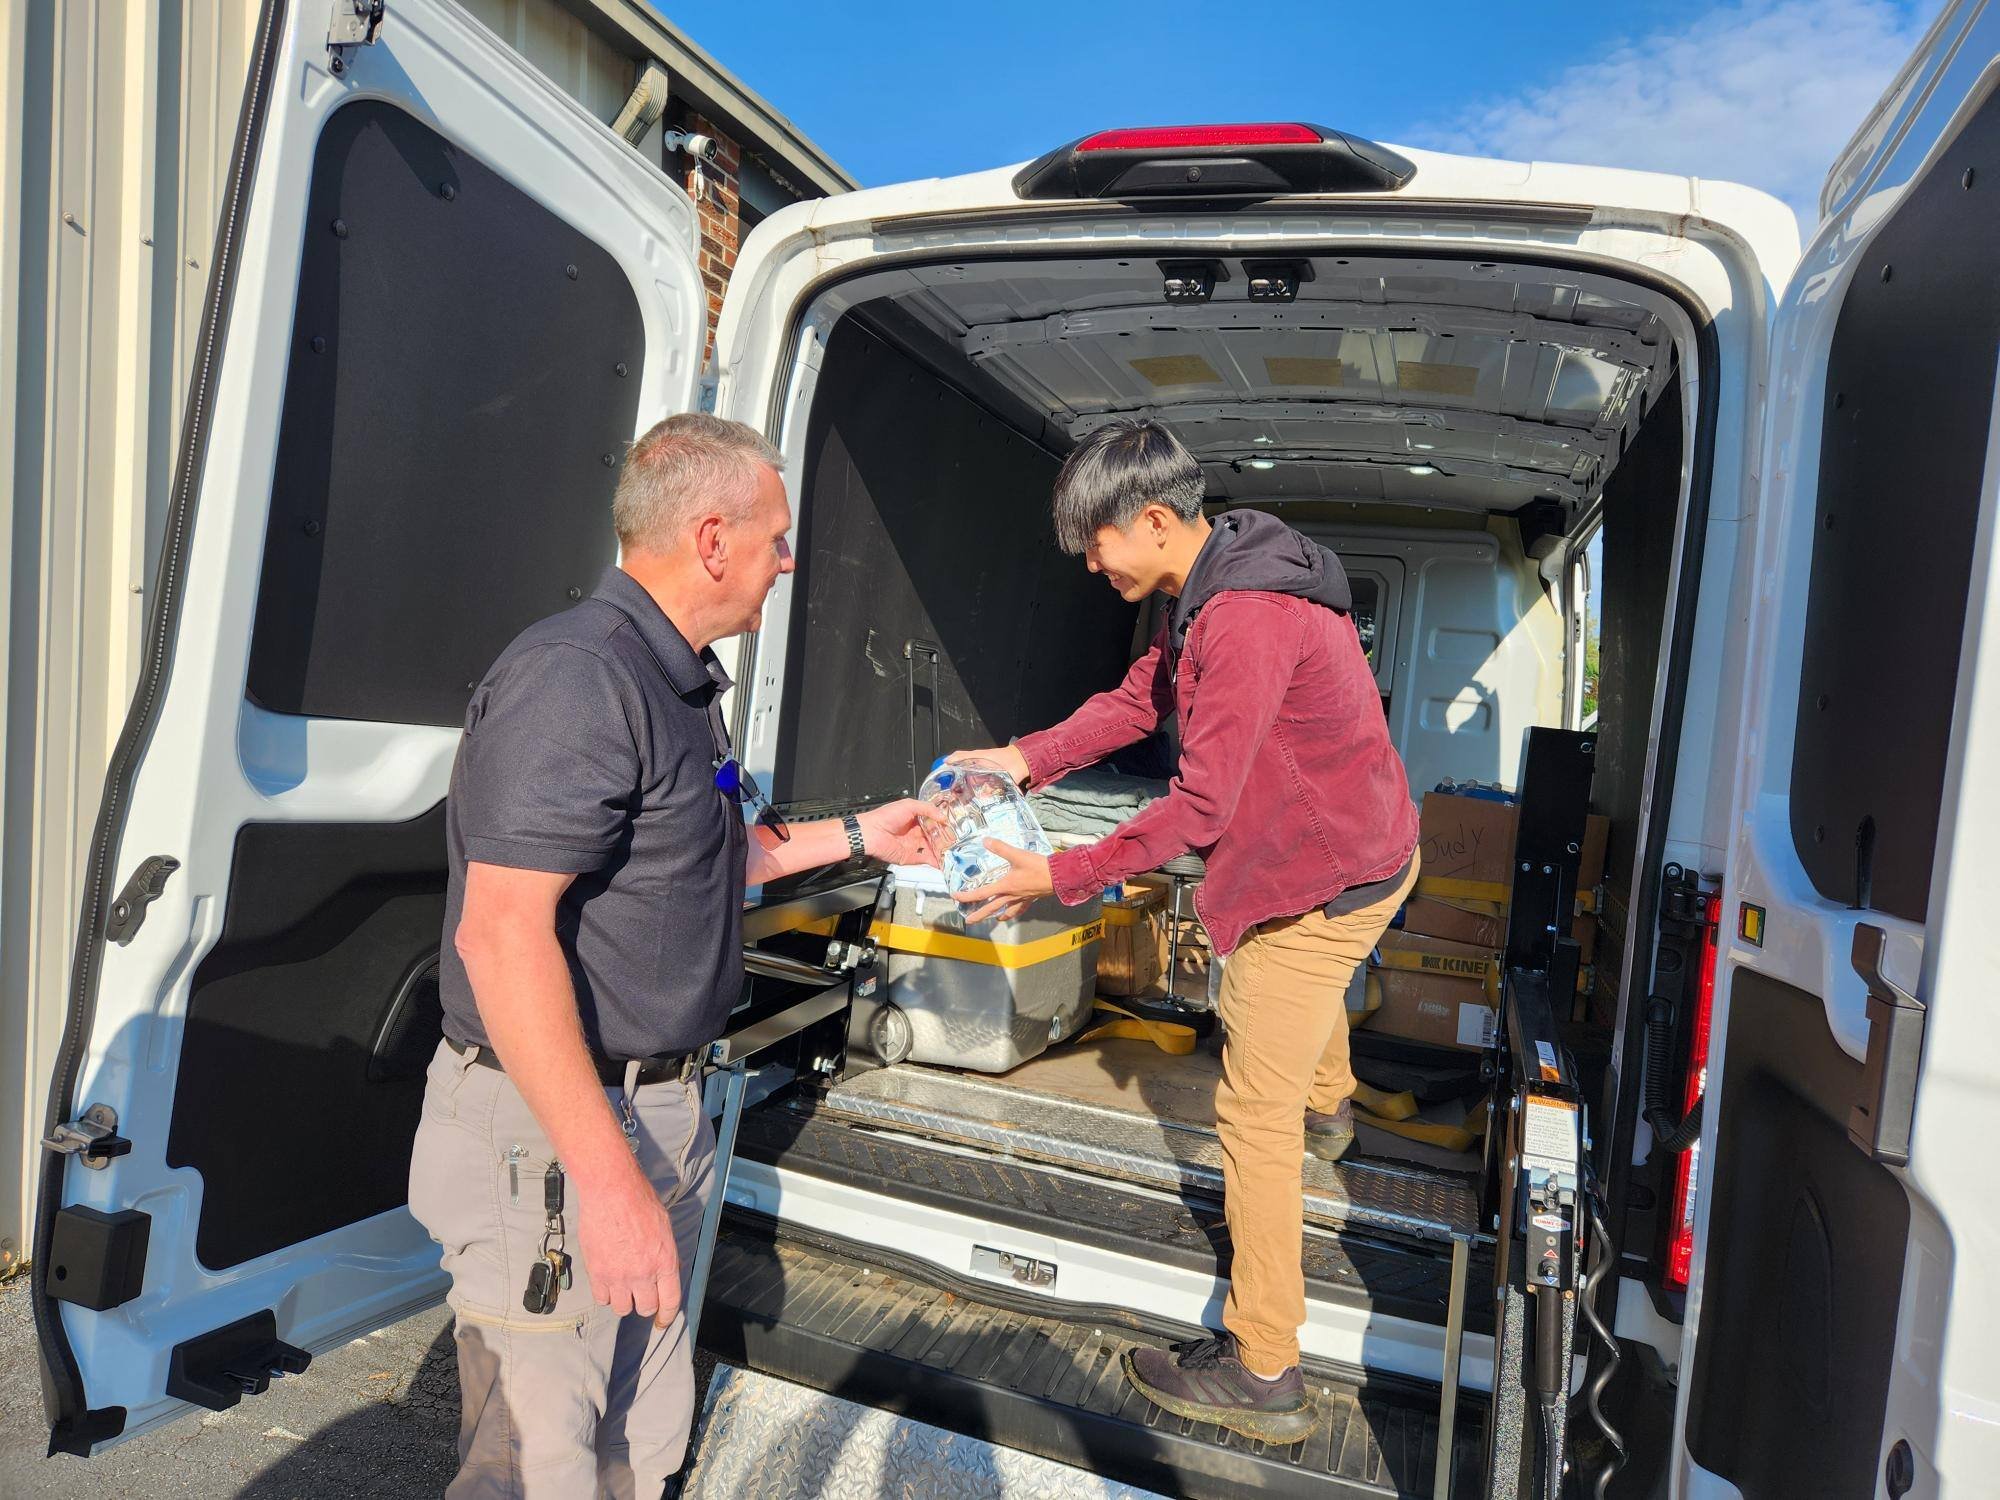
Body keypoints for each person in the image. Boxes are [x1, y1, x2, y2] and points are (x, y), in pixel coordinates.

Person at [408, 413, 937, 1499]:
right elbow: (501, 936)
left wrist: (862, 835)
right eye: (777, 538)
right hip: (553, 1137)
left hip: (657, 1112)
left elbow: (700, 856)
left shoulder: (676, 680)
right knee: (539, 1464)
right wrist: (605, 1179)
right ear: (711, 540)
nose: (787, 561)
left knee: (640, 1441)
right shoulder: (578, 679)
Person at [956, 419, 1418, 1443]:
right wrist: (1025, 760)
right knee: (1306, 1016)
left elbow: (1201, 809)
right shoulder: (1215, 575)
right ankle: (1333, 1106)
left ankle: (1263, 1367)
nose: (1090, 562)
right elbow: (1139, 699)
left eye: (1098, 541)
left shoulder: (1244, 615)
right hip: (1366, 849)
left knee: (1251, 1114)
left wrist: (1058, 876)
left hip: (1319, 880)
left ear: (1154, 519)